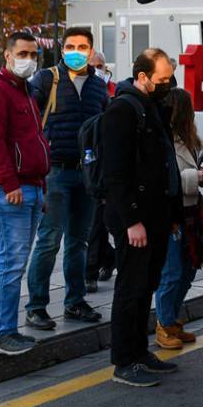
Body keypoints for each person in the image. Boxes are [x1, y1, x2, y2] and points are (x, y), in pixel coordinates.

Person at [102, 48, 182, 387]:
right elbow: (115, 173)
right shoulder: (122, 110)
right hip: (134, 220)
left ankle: (140, 351)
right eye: (162, 79)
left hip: (158, 215)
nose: (168, 85)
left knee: (147, 284)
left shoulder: (153, 107)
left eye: (169, 79)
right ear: (142, 76)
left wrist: (173, 214)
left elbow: (165, 163)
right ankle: (124, 360)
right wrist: (132, 220)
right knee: (131, 288)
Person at [24, 28, 109, 330]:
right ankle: (36, 306)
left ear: (91, 50)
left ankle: (75, 301)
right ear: (61, 49)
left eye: (82, 46)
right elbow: (26, 117)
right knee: (49, 241)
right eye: (70, 46)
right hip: (56, 173)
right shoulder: (46, 79)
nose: (76, 50)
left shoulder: (99, 87)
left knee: (79, 241)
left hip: (86, 173)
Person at [0, 32, 49, 356]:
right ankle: (4, 332)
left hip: (29, 186)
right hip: (6, 188)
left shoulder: (25, 91)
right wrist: (10, 185)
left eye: (33, 54)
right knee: (11, 263)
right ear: (7, 55)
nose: (28, 59)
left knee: (11, 262)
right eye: (22, 53)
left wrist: (37, 186)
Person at [154, 88, 203, 350]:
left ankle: (172, 319)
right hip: (171, 213)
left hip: (192, 212)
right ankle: (164, 323)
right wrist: (196, 178)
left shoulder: (191, 138)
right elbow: (161, 180)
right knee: (171, 272)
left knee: (189, 269)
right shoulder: (162, 140)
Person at [85, 50, 117, 292]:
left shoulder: (113, 90)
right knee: (89, 225)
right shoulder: (84, 91)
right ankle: (108, 258)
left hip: (103, 165)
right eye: (93, 65)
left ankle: (91, 271)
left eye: (101, 65)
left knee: (98, 223)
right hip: (84, 162)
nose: (98, 69)